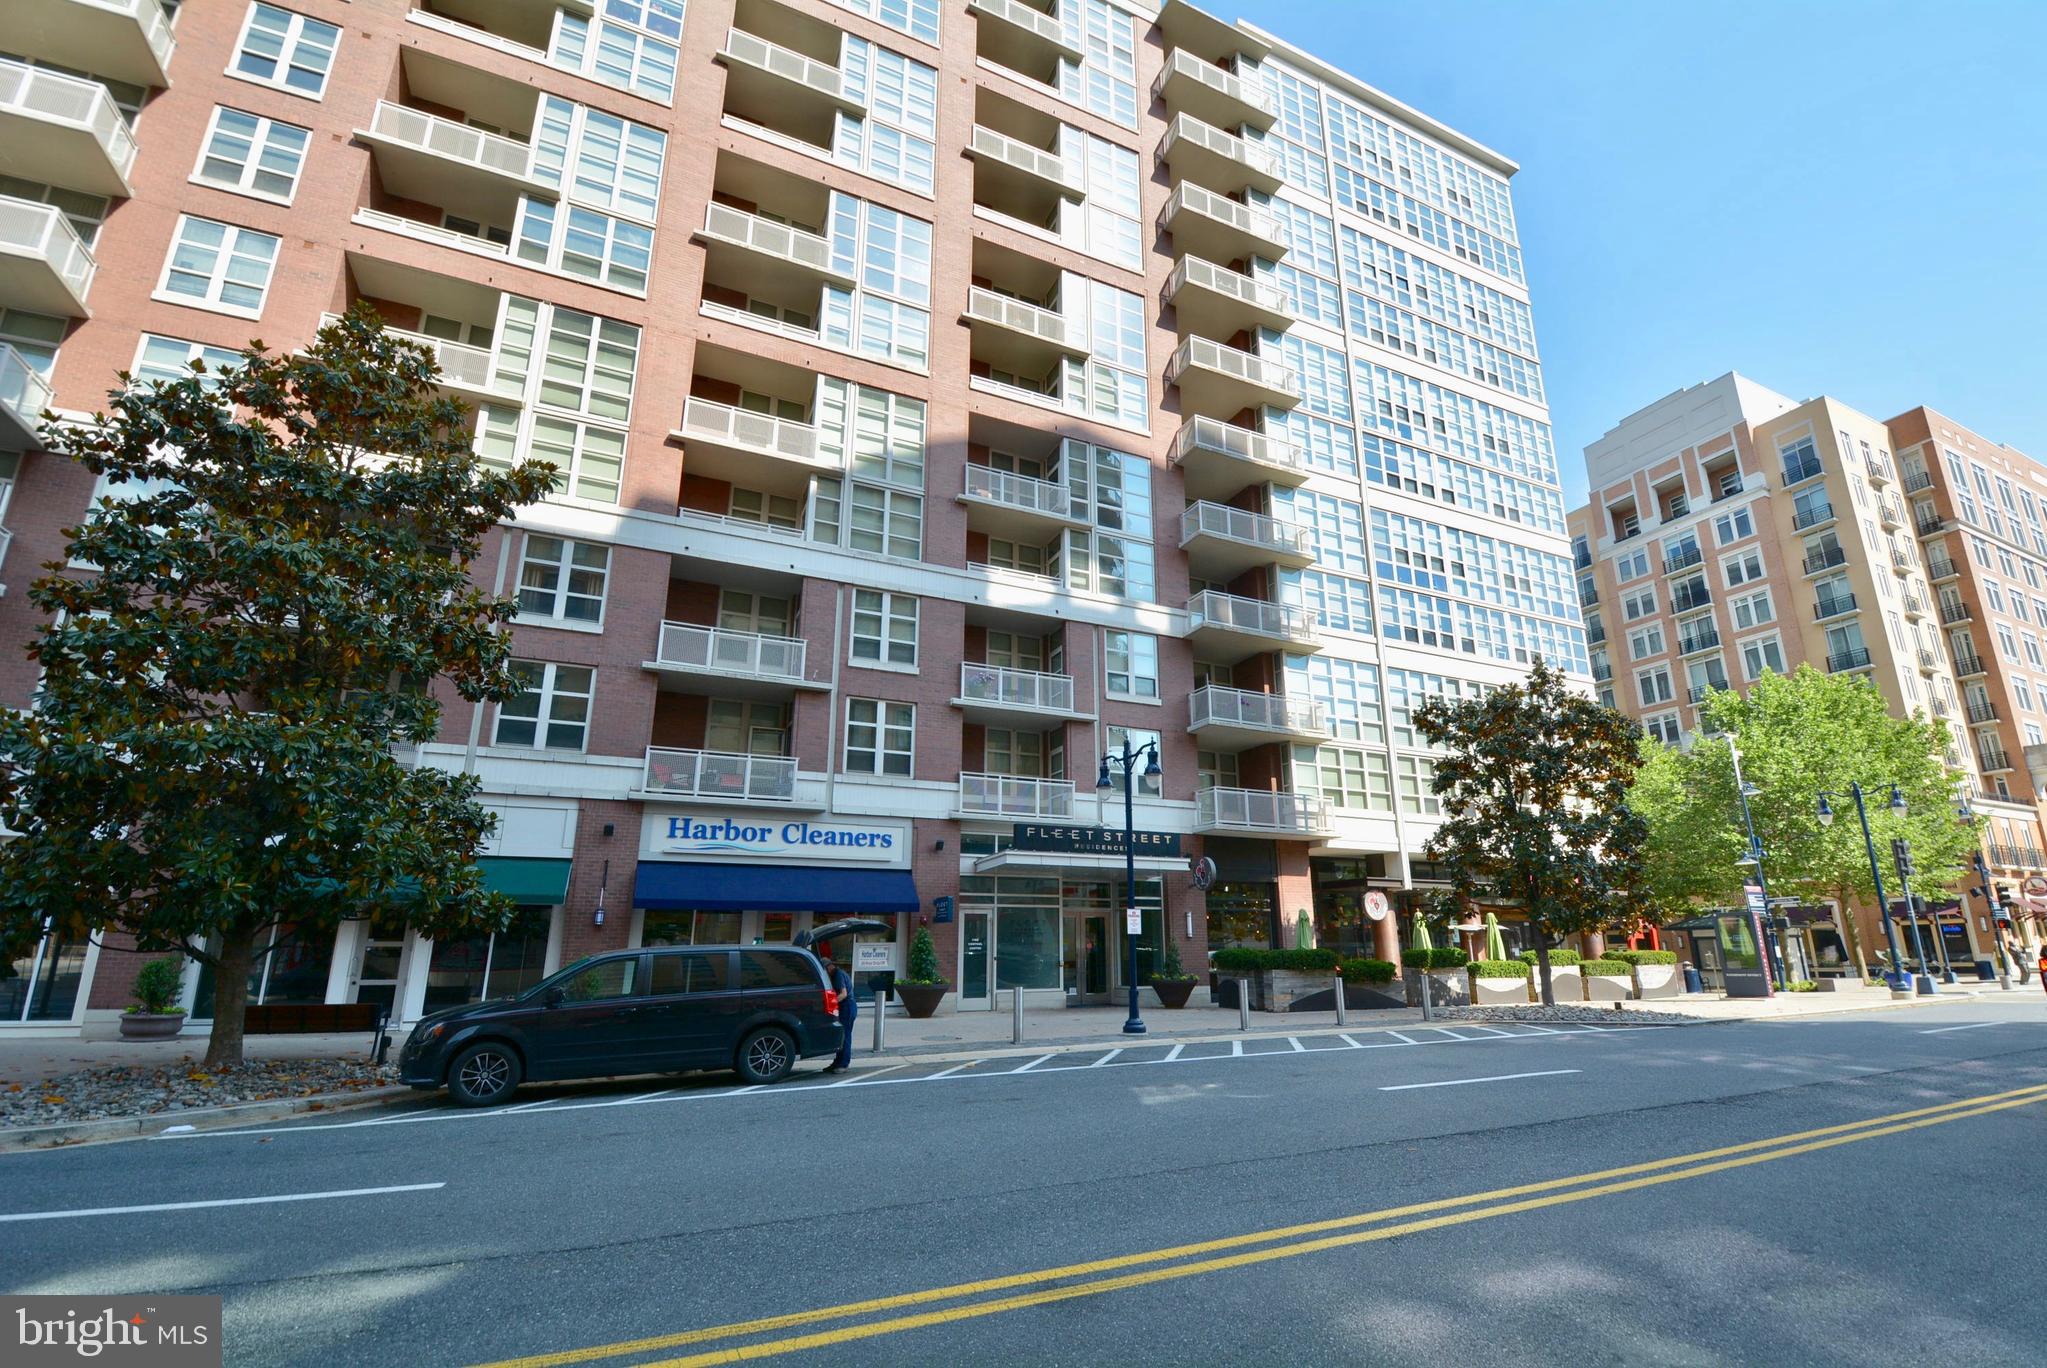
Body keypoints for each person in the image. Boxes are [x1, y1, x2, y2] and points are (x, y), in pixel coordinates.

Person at [819, 948, 856, 1073]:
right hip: (845, 1007)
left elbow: (843, 994)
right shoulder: (836, 974)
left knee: (845, 1035)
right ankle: (837, 1062)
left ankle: (843, 1064)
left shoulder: (838, 974)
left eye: (824, 970)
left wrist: (831, 1003)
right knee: (841, 1035)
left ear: (829, 967)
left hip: (847, 1006)